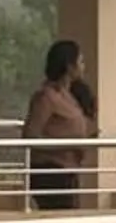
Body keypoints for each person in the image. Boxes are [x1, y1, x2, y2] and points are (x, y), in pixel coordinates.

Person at [22, 38, 97, 209]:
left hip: (69, 171)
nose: (83, 66)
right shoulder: (46, 97)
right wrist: (65, 145)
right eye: (81, 61)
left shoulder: (69, 96)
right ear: (69, 67)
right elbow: (30, 136)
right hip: (51, 173)